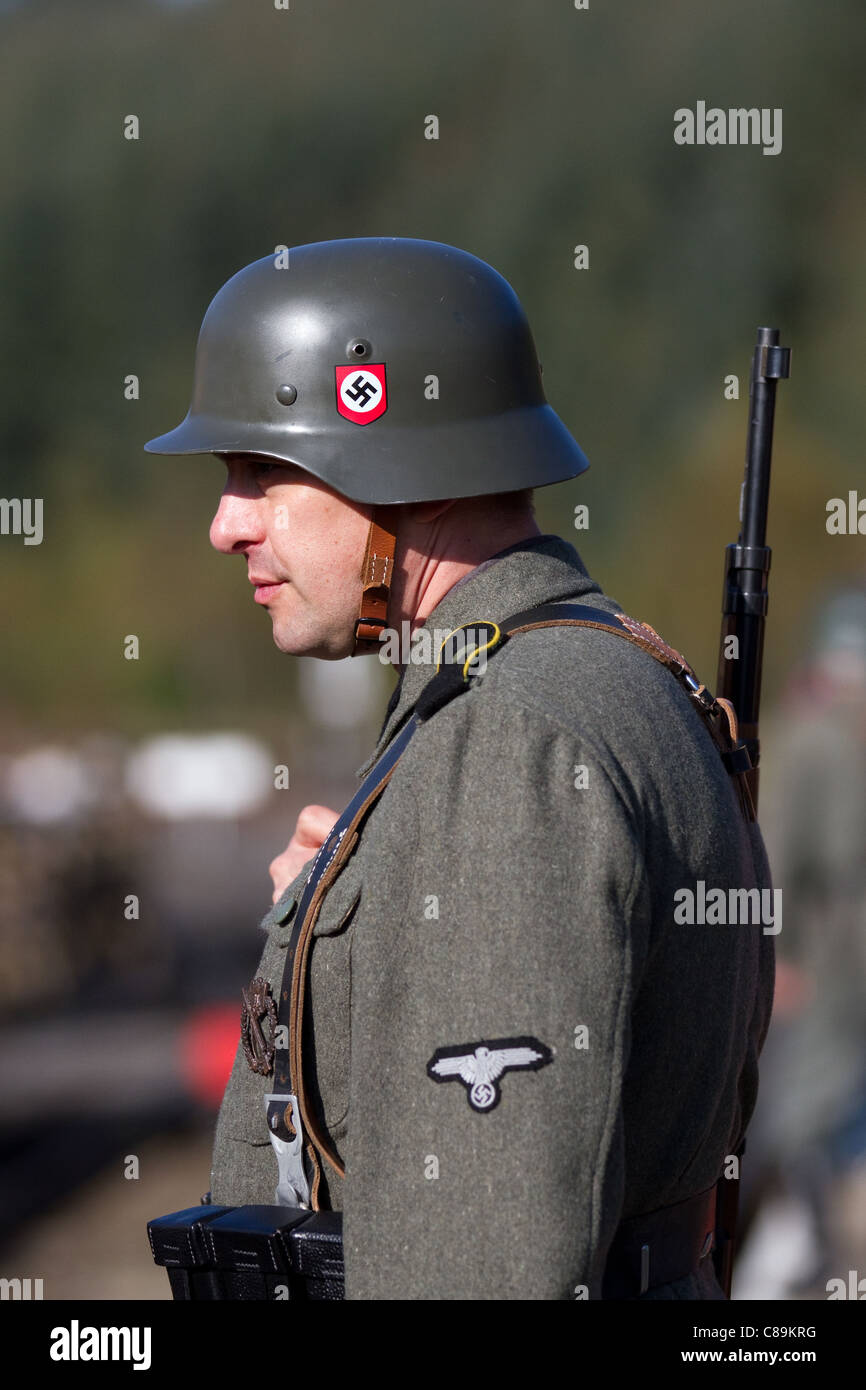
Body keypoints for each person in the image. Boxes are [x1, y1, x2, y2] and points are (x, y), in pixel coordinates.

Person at [145, 236, 774, 1299]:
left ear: (405, 474)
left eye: (261, 472)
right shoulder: (604, 674)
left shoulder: (512, 745)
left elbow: (476, 1263)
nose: (223, 525)